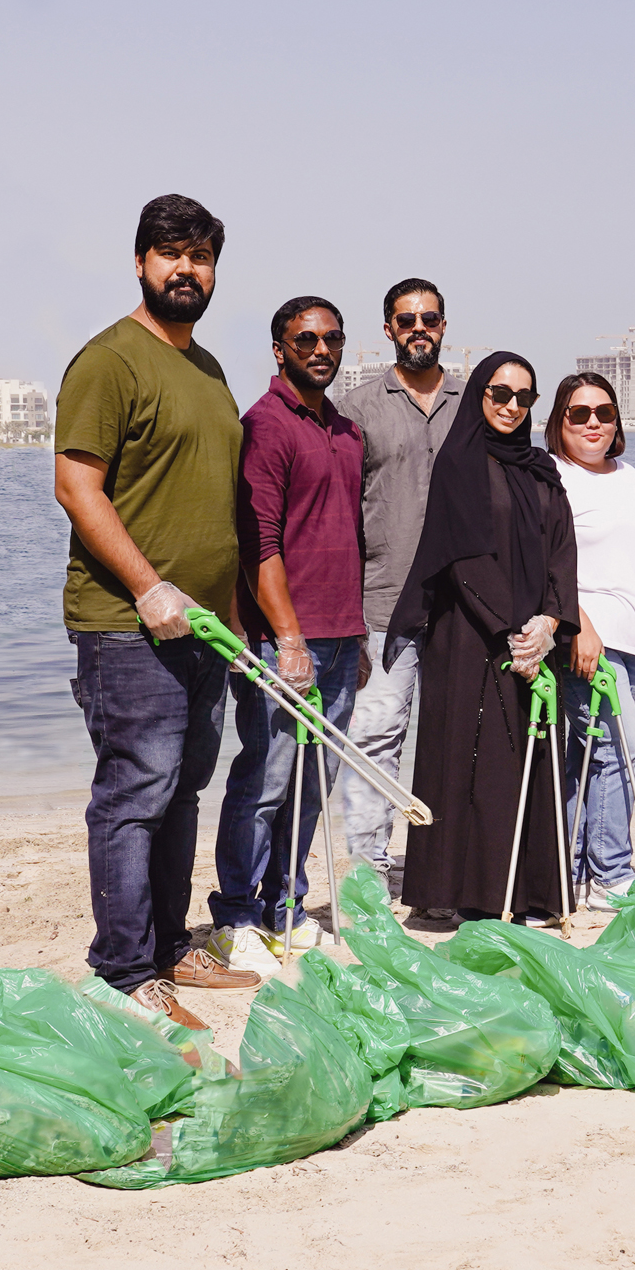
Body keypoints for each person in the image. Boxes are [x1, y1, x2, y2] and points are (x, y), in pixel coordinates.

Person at [53, 194, 260, 1032]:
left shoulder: (207, 369)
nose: (187, 269)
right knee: (134, 794)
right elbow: (76, 486)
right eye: (171, 253)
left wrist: (235, 618)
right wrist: (147, 585)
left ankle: (172, 946)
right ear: (141, 262)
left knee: (182, 792)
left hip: (204, 630)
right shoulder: (109, 361)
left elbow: (216, 509)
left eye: (201, 256)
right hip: (127, 627)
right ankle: (124, 968)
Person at [388, 352, 578, 920]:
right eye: (500, 394)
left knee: (529, 755)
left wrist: (549, 623)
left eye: (524, 397)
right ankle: (459, 896)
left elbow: (562, 552)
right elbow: (463, 555)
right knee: (472, 760)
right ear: (479, 396)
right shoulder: (460, 464)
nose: (512, 407)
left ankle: (530, 892)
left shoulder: (542, 469)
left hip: (534, 640)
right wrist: (513, 631)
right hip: (471, 637)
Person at [207, 297, 366, 962]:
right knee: (266, 781)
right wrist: (288, 638)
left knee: (312, 786)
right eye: (306, 339)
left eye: (332, 338)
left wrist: (352, 638)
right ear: (280, 350)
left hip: (341, 637)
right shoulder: (266, 426)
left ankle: (285, 904)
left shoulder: (349, 432)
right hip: (283, 642)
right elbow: (257, 543)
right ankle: (237, 916)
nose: (321, 349)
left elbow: (349, 537)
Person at [335, 278, 464, 886]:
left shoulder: (476, 403)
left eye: (430, 319)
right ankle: (368, 873)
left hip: (466, 611)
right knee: (374, 740)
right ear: (388, 328)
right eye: (406, 320)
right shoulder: (356, 410)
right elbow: (337, 517)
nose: (419, 329)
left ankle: (457, 867)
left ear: (444, 326)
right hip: (383, 605)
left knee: (465, 738)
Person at [546, 372, 635, 908]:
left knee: (589, 753)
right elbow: (549, 563)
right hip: (590, 637)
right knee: (618, 750)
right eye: (579, 413)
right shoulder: (555, 475)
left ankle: (570, 868)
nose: (593, 422)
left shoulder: (628, 474)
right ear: (559, 421)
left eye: (604, 412)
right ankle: (611, 875)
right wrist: (580, 626)